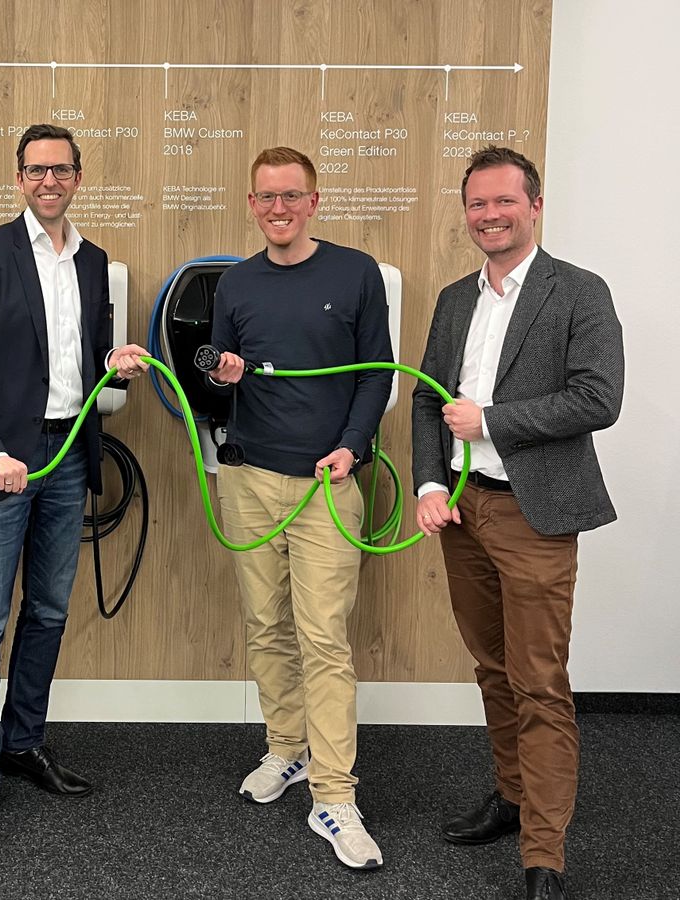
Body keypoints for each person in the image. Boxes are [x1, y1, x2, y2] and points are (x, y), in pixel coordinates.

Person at [412, 146, 623, 900]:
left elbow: (599, 398)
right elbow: (425, 399)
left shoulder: (579, 292)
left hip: (534, 514)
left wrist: (491, 421)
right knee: (492, 668)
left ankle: (545, 854)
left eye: (504, 202)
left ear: (534, 205)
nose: (490, 216)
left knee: (539, 683)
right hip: (462, 513)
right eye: (477, 204)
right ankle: (511, 796)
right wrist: (431, 480)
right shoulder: (453, 299)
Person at [0, 124, 148, 857]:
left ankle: (22, 743)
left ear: (78, 177)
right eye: (36, 169)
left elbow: (88, 360)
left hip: (68, 452)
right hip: (3, 462)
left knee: (50, 610)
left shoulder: (92, 261)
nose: (49, 180)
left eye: (61, 169)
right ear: (20, 177)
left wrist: (114, 364)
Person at [208, 146, 393, 870]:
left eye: (291, 196)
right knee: (265, 627)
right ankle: (285, 750)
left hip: (328, 484)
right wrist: (223, 373)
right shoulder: (237, 283)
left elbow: (377, 374)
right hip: (250, 480)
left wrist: (350, 447)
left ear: (314, 201)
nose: (277, 208)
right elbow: (223, 373)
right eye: (265, 198)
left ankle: (335, 794)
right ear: (252, 205)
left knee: (323, 638)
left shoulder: (355, 273)